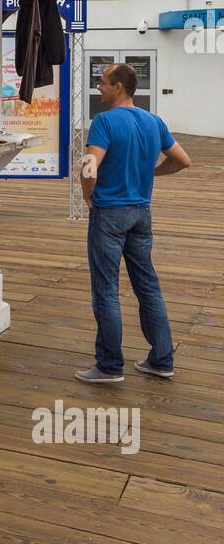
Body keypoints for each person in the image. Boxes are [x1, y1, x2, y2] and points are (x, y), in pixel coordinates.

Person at [76, 63, 190, 384]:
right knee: (147, 285)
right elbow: (182, 160)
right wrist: (151, 173)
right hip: (141, 212)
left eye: (102, 82)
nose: (99, 87)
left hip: (109, 214)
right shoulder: (154, 121)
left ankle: (110, 366)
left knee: (106, 289)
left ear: (119, 88)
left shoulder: (105, 121)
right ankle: (161, 359)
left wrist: (88, 197)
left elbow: (88, 166)